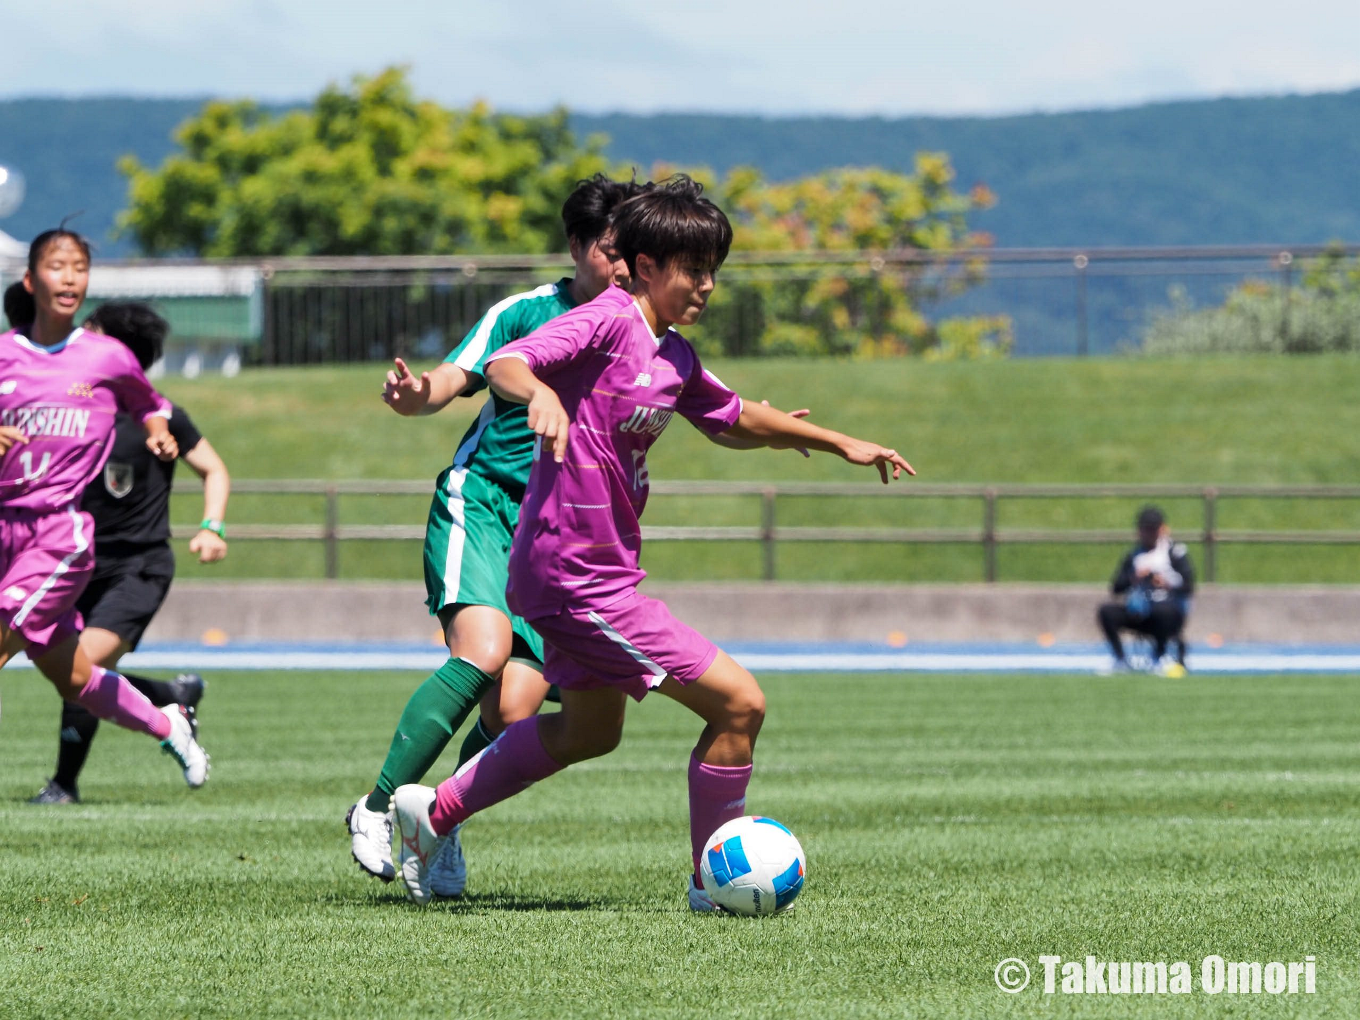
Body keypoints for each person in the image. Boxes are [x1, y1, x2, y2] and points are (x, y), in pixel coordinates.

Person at [390, 175, 914, 910]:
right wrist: (538, 392)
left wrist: (836, 442)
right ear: (641, 265)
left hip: (591, 573)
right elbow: (513, 363)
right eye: (692, 269)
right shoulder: (605, 318)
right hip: (573, 573)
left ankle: (432, 812)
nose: (705, 285)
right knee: (739, 704)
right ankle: (714, 883)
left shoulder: (672, 354)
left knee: (589, 730)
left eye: (712, 271)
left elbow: (734, 418)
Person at [346, 175, 644, 893]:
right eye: (611, 250)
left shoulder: (642, 329)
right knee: (482, 652)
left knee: (515, 709)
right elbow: (458, 376)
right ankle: (378, 804)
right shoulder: (526, 311)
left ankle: (436, 821)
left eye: (636, 250)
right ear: (576, 247)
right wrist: (418, 396)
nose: (627, 265)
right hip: (481, 504)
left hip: (555, 534)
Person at [0, 229, 208, 786]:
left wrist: (159, 427)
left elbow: (151, 401)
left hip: (58, 534)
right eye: (56, 266)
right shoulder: (4, 357)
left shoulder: (106, 357)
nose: (69, 277)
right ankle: (169, 725)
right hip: (3, 531)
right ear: (30, 279)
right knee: (74, 679)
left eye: (80, 267)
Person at [1097, 505, 1194, 677]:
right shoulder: (1134, 555)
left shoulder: (1174, 552)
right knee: (1107, 611)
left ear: (1162, 529)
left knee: (1163, 611)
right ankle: (1120, 659)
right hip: (1140, 611)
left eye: (1152, 529)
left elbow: (1188, 586)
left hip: (1168, 612)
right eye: (1145, 529)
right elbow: (1116, 587)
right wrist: (1134, 578)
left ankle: (1160, 656)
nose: (1148, 533)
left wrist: (1165, 582)